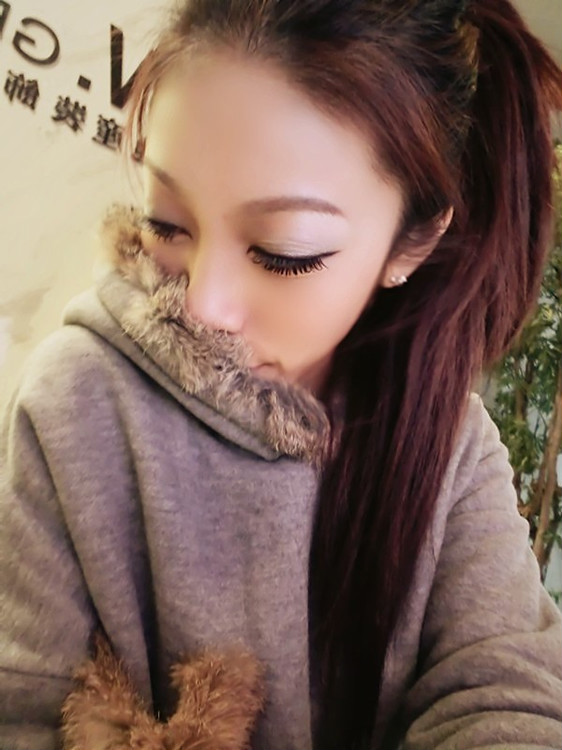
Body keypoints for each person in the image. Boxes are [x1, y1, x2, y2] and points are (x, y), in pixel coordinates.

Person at [1, 0, 562, 748]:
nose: (202, 304)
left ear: (412, 244)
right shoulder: (73, 405)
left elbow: (508, 697)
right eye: (167, 222)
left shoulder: (453, 452)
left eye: (282, 251)